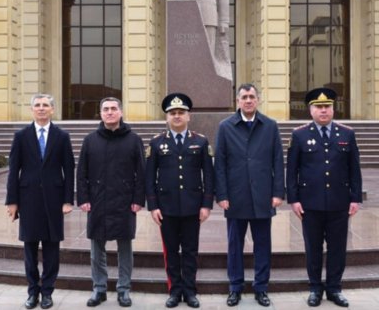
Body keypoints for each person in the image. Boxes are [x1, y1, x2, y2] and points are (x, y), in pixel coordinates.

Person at [286, 88, 363, 308]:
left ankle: (334, 289)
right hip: (310, 204)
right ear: (310, 110)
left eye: (327, 107)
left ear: (333, 109)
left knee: (338, 247)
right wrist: (294, 199)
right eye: (318, 107)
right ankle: (314, 288)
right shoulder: (299, 135)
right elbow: (292, 170)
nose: (323, 111)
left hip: (340, 202)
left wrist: (355, 198)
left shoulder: (346, 134)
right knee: (313, 248)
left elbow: (354, 169)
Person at [214, 83, 285, 307]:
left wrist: (277, 193)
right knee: (235, 245)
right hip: (235, 197)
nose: (248, 100)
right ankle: (235, 287)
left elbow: (277, 161)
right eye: (244, 97)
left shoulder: (270, 126)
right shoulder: (226, 127)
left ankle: (261, 287)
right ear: (237, 101)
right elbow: (220, 164)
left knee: (262, 244)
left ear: (258, 100)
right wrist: (222, 194)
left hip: (263, 196)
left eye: (252, 96)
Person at [5, 94, 75, 310]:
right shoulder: (21, 136)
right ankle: (32, 292)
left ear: (52, 110)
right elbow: (13, 170)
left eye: (46, 105)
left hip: (54, 200)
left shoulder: (62, 136)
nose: (41, 109)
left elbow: (69, 169)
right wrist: (12, 201)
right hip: (28, 200)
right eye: (37, 105)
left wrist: (67, 201)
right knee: (30, 249)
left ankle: (47, 292)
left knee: (52, 249)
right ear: (32, 110)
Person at [145, 93, 214, 308]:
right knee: (172, 251)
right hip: (166, 208)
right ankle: (174, 291)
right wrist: (153, 206)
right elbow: (149, 178)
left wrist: (206, 204)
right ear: (167, 117)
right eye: (172, 113)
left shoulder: (200, 141)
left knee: (191, 251)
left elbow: (209, 176)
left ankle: (190, 291)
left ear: (188, 116)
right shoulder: (157, 143)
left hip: (193, 208)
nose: (177, 116)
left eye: (181, 113)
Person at [76, 97, 145, 308]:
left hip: (124, 202)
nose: (109, 112)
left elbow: (141, 173)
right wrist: (83, 198)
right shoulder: (90, 140)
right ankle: (99, 289)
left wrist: (138, 200)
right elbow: (82, 173)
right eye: (105, 109)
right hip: (97, 202)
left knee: (125, 248)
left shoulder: (133, 140)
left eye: (114, 109)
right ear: (100, 113)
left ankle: (124, 290)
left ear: (121, 112)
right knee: (97, 249)